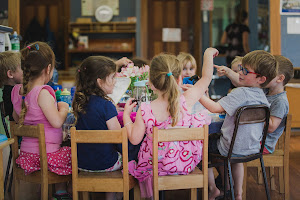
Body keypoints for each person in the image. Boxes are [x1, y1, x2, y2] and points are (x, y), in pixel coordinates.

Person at [123, 48, 219, 198]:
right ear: (179, 79)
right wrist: (207, 53)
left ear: (151, 83)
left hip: (154, 168)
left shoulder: (145, 109)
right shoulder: (187, 99)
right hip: (185, 164)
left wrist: (126, 117)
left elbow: (134, 139)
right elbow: (206, 78)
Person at [199, 50, 277, 200]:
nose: (240, 73)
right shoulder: (263, 97)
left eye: (245, 71)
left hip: (229, 148)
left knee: (200, 147)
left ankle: (213, 188)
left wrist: (197, 93)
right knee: (234, 155)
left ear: (261, 78)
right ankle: (238, 194)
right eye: (241, 68)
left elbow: (214, 108)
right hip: (252, 148)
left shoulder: (240, 93)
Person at [11, 42, 72, 200]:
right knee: (74, 153)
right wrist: (63, 108)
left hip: (26, 156)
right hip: (44, 157)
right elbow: (57, 122)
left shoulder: (16, 91)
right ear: (48, 68)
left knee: (61, 151)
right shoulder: (42, 93)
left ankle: (45, 192)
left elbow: (17, 119)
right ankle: (60, 193)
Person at [72, 55, 137, 200]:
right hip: (105, 163)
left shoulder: (79, 101)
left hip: (81, 163)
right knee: (132, 158)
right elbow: (118, 137)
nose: (115, 82)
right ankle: (114, 196)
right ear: (99, 82)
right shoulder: (107, 106)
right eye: (112, 78)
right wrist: (126, 115)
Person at [263, 55, 294, 154]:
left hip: (264, 145)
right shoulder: (265, 92)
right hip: (255, 140)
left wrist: (251, 116)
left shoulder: (280, 101)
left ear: (280, 78)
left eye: (267, 74)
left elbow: (271, 127)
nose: (262, 77)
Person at [0, 51, 22, 121]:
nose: (26, 70)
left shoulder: (6, 91)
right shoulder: (12, 92)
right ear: (10, 74)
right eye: (22, 68)